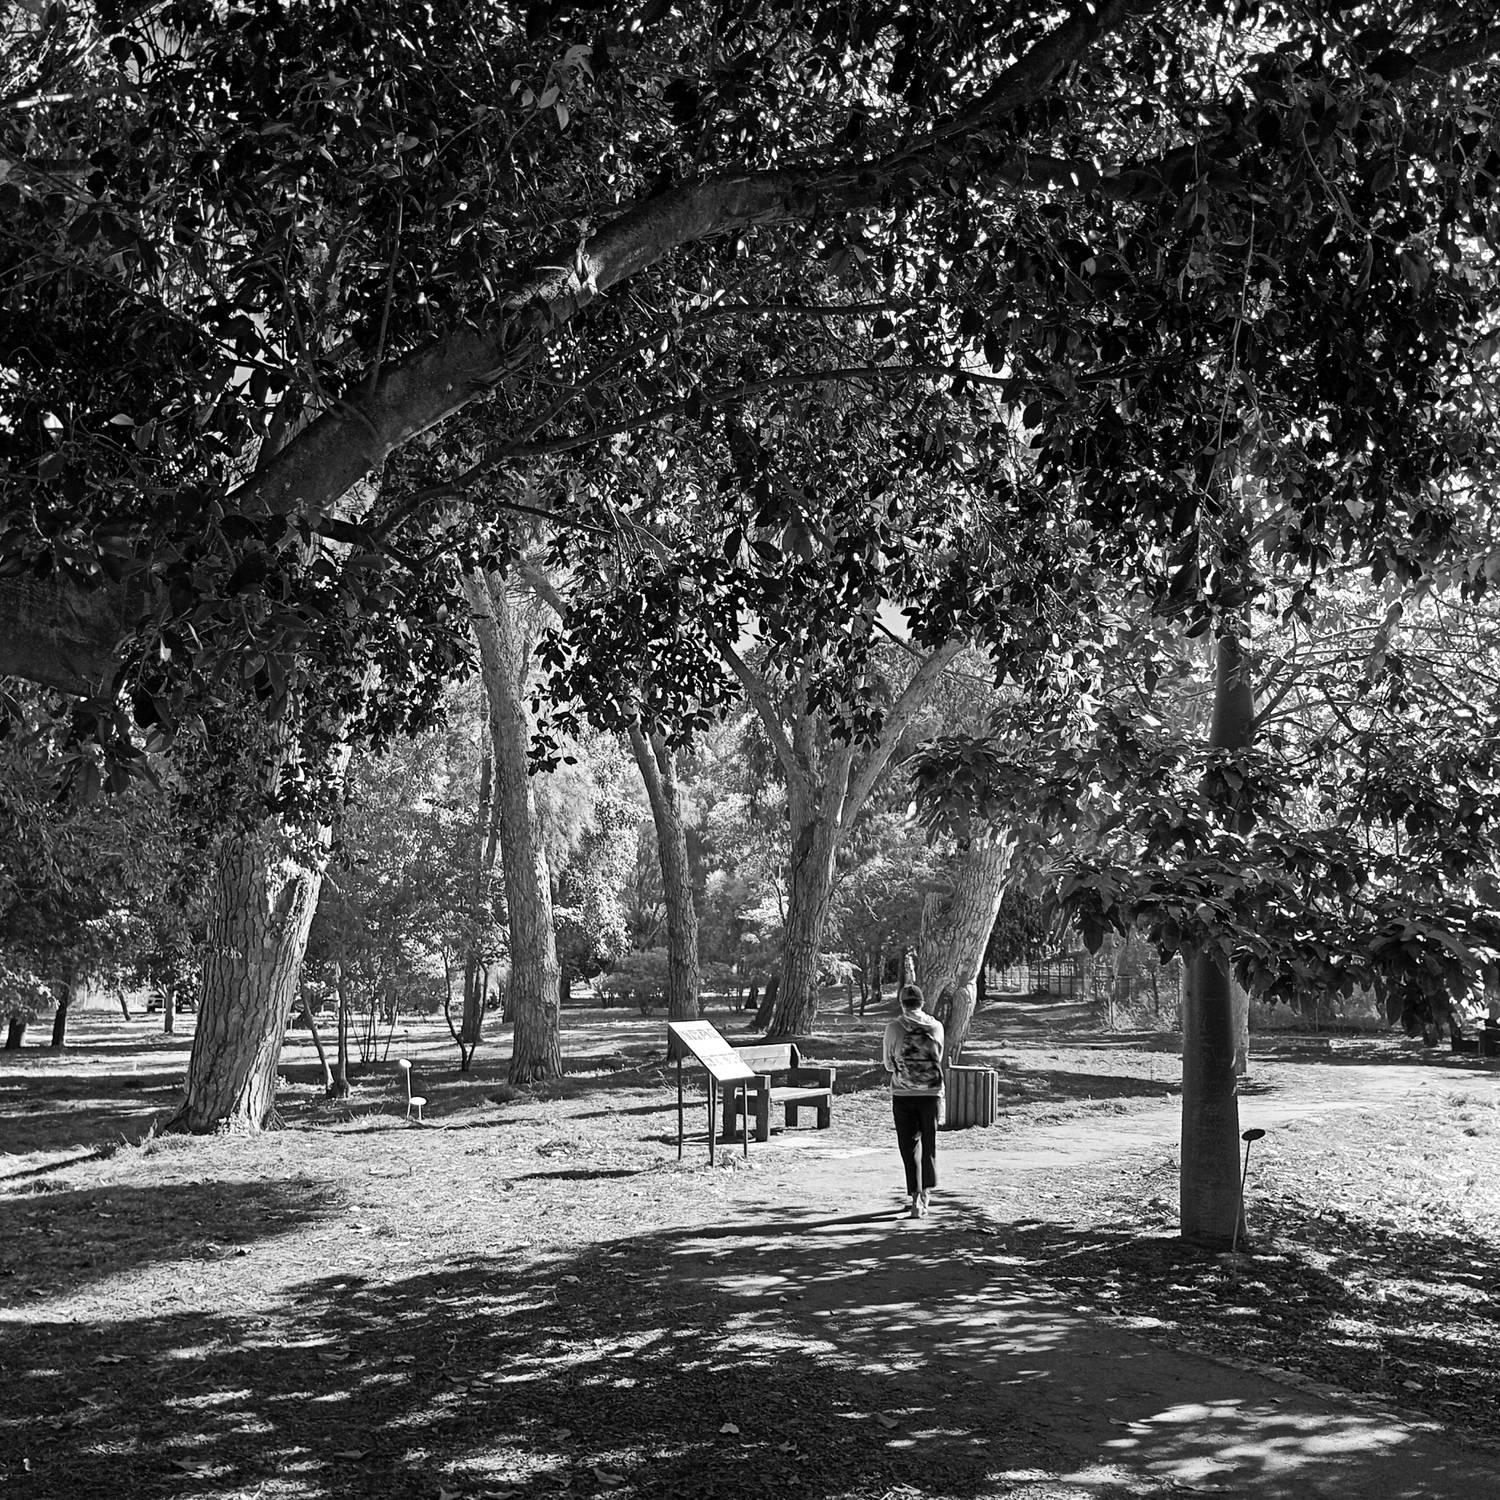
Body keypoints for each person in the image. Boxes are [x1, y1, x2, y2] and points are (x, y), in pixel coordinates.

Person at [883, 983, 945, 1218]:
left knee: (909, 1147)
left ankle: (915, 1198)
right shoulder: (936, 1026)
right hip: (931, 1093)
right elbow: (938, 1057)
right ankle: (927, 1193)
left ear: (902, 1004)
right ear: (922, 1002)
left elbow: (888, 1065)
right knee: (929, 1144)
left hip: (903, 1094)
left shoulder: (894, 1027)